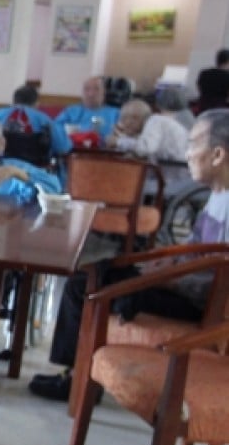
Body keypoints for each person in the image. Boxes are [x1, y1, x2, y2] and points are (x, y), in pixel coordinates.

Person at [30, 109, 229, 401]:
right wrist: (166, 262)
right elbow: (196, 249)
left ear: (218, 155)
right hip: (185, 285)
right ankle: (77, 374)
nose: (186, 153)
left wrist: (166, 279)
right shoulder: (218, 193)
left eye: (193, 144)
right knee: (94, 272)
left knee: (86, 287)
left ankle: (78, 382)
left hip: (200, 302)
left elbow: (220, 283)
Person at [0, 84, 72, 165]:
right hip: (34, 172)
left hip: (0, 167)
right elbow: (63, 147)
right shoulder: (45, 120)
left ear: (14, 100)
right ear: (36, 102)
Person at [106, 98, 188, 163]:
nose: (125, 123)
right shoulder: (151, 125)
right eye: (123, 119)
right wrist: (123, 137)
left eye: (124, 119)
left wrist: (118, 141)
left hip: (177, 173)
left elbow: (146, 148)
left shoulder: (154, 121)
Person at [55, 76, 121, 140]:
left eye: (97, 89)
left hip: (105, 150)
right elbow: (55, 129)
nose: (91, 94)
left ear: (104, 92)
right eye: (87, 89)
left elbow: (123, 135)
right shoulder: (70, 111)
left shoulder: (115, 113)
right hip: (74, 149)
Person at [193, 48, 229, 114]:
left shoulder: (204, 73)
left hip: (202, 107)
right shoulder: (227, 75)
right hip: (220, 110)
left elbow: (198, 87)